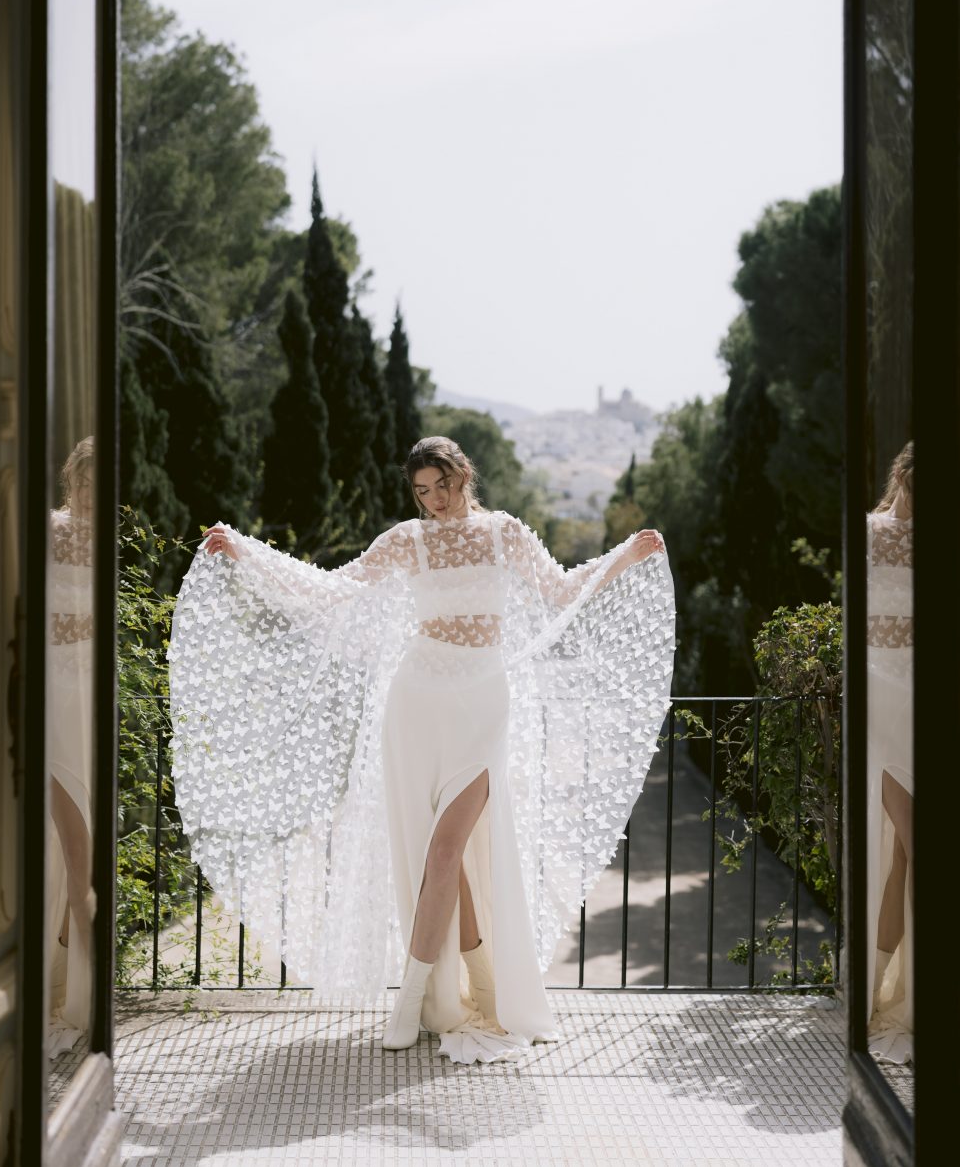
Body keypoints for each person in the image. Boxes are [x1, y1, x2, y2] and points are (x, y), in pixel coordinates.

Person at [170, 435, 675, 1065]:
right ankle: (460, 993)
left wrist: (624, 556)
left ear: (464, 473)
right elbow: (330, 590)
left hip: (482, 701)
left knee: (445, 849)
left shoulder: (505, 533)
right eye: (421, 491)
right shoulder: (407, 540)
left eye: (441, 484)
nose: (433, 499)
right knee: (440, 857)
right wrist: (246, 554)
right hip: (417, 699)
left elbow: (560, 590)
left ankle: (410, 1001)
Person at [47, 436, 98, 1057]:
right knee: (65, 838)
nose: (89, 494)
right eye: (83, 482)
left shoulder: (107, 542)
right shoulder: (49, 529)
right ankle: (59, 990)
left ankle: (74, 992)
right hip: (49, 690)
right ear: (71, 481)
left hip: (89, 692)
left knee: (84, 838)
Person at [865, 440, 914, 1065]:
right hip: (883, 703)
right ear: (902, 475)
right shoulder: (869, 533)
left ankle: (884, 994)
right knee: (910, 845)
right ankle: (876, 993)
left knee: (906, 853)